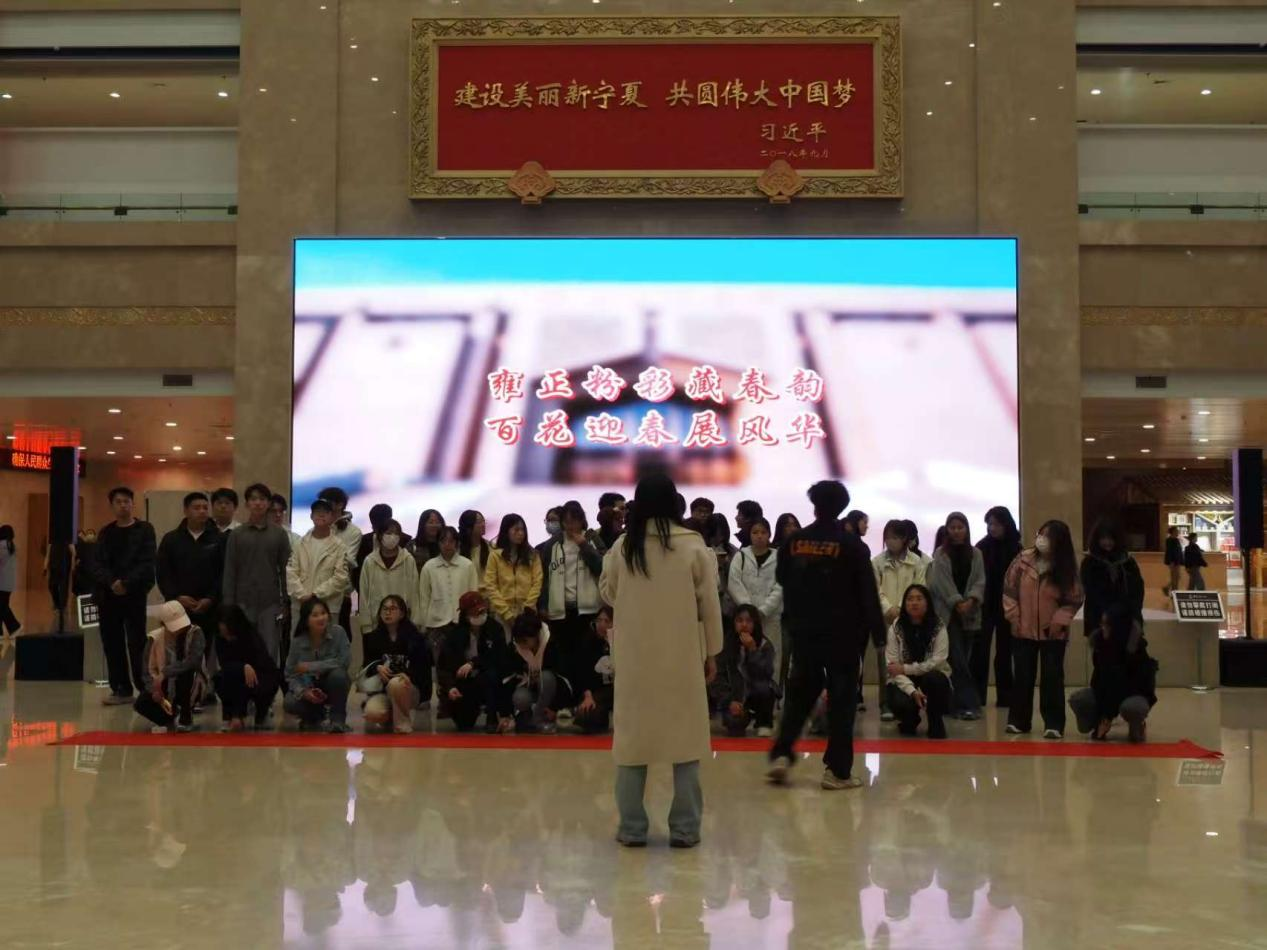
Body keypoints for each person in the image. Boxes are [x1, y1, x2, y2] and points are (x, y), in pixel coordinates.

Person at [599, 472, 723, 847]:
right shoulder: (692, 546)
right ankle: (685, 828)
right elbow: (709, 603)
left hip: (635, 659)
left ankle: (632, 827)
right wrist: (712, 652)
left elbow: (609, 592)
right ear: (674, 503)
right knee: (686, 743)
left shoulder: (624, 547)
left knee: (632, 744)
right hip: (682, 657)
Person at [767, 479, 884, 792]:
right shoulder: (852, 545)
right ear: (842, 507)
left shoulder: (794, 542)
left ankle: (782, 754)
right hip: (843, 634)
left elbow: (782, 578)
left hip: (804, 632)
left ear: (814, 505)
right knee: (842, 702)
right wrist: (878, 633)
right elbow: (867, 591)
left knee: (799, 695)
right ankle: (838, 771)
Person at [1003, 520, 1084, 739]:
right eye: (1041, 534)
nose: (1042, 539)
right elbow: (1009, 590)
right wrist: (1013, 617)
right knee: (1022, 676)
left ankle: (1054, 723)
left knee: (1052, 678)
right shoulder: (1023, 559)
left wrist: (1060, 620)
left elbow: (1074, 599)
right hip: (1023, 629)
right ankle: (1018, 721)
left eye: (1048, 536)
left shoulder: (1066, 566)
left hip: (1053, 633)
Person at [91, 487, 157, 705]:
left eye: (126, 501)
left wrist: (126, 583)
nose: (123, 505)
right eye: (118, 502)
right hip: (108, 596)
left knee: (137, 642)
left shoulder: (144, 530)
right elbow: (97, 563)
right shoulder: (106, 532)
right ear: (112, 506)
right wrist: (112, 582)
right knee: (112, 643)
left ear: (132, 504)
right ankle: (121, 688)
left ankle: (144, 687)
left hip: (134, 594)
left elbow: (147, 562)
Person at [156, 492, 224, 688]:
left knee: (206, 649)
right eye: (197, 507)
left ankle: (204, 690)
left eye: (205, 507)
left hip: (208, 607)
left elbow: (223, 573)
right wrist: (177, 597)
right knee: (179, 650)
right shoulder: (171, 539)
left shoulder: (218, 538)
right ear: (186, 510)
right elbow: (163, 573)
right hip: (179, 607)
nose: (202, 511)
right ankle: (180, 691)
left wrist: (210, 598)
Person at [222, 482, 293, 665]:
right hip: (242, 603)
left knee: (269, 651)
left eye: (262, 499)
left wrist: (286, 602)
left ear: (268, 503)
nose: (258, 503)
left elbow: (287, 571)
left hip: (270, 603)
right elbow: (230, 571)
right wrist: (228, 607)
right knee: (243, 651)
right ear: (247, 504)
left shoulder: (279, 535)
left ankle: (267, 684)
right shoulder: (236, 535)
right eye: (253, 499)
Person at [541, 501, 604, 704]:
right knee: (564, 659)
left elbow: (602, 568)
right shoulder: (553, 544)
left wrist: (583, 545)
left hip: (587, 609)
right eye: (566, 522)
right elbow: (544, 577)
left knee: (585, 656)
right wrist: (543, 605)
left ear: (581, 520)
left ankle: (587, 698)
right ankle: (567, 702)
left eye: (574, 521)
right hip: (560, 610)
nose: (570, 526)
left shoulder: (591, 538)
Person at [926, 513, 986, 721]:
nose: (957, 531)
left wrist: (971, 600)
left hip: (970, 614)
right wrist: (957, 602)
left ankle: (952, 703)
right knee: (958, 660)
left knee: (963, 661)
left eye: (960, 527)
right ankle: (969, 704)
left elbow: (980, 580)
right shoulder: (941, 554)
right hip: (948, 615)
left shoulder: (976, 554)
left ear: (967, 529)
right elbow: (940, 583)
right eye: (952, 527)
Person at [1069, 602, 1157, 743]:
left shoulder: (1137, 651)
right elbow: (1098, 681)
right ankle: (1097, 723)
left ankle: (1137, 725)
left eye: (1106, 625)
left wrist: (1108, 713)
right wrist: (1104, 715)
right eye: (1102, 624)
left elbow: (1140, 686)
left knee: (1133, 708)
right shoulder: (1100, 646)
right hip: (1107, 692)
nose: (1102, 628)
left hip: (1133, 693)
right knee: (1080, 699)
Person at [437, 591, 515, 733]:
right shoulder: (455, 634)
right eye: (475, 613)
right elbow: (444, 665)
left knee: (492, 675)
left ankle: (492, 717)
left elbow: (498, 657)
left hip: (489, 679)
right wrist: (450, 687)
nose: (480, 615)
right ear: (465, 615)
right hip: (465, 681)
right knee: (463, 724)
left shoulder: (495, 628)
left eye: (482, 611)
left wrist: (473, 663)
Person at [871, 520, 927, 720]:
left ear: (904, 539)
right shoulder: (877, 562)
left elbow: (920, 587)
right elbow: (874, 589)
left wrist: (903, 609)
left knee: (907, 659)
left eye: (894, 537)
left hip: (909, 617)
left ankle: (908, 699)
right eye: (887, 537)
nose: (890, 541)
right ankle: (885, 703)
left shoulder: (916, 561)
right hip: (884, 618)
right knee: (884, 660)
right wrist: (888, 608)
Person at [885, 584, 951, 739]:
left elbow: (938, 661)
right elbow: (893, 667)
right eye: (909, 599)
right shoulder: (895, 628)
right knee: (902, 706)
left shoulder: (939, 626)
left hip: (931, 676)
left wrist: (906, 669)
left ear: (927, 602)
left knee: (935, 680)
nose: (914, 603)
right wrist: (913, 692)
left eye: (919, 599)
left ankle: (935, 719)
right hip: (904, 680)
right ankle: (910, 719)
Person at [359, 595, 431, 734]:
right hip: (383, 691)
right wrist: (377, 667)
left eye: (392, 609)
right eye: (384, 609)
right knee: (372, 713)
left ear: (402, 613)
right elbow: (366, 666)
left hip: (410, 690)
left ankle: (402, 724)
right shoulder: (373, 638)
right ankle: (391, 716)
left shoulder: (415, 637)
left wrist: (409, 675)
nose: (388, 612)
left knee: (396, 683)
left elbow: (424, 669)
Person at [973, 506, 1022, 708]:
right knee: (980, 653)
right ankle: (978, 696)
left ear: (1006, 524)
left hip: (1007, 608)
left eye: (996, 524)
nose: (992, 528)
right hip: (984, 607)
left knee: (1005, 653)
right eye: (989, 524)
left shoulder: (1017, 549)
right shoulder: (981, 547)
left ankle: (1005, 696)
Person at [133, 601, 207, 733]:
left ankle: (186, 716)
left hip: (191, 681)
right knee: (141, 703)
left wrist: (165, 673)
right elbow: (146, 671)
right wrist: (154, 690)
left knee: (186, 675)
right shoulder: (154, 638)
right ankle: (170, 717)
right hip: (163, 684)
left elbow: (192, 661)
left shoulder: (195, 633)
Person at [727, 516, 783, 687]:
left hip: (770, 618)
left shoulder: (779, 558)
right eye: (755, 532)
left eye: (763, 532)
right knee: (744, 658)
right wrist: (750, 612)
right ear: (750, 535)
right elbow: (734, 583)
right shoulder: (741, 556)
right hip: (745, 620)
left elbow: (781, 586)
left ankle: (771, 695)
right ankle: (744, 696)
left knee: (772, 659)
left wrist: (763, 610)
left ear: (769, 535)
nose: (759, 536)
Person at [284, 598, 352, 732]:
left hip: (331, 683)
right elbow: (290, 674)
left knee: (338, 675)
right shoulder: (297, 641)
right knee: (290, 702)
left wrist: (311, 666)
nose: (321, 618)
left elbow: (343, 661)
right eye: (315, 615)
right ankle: (314, 717)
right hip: (308, 685)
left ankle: (338, 721)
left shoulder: (338, 632)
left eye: (323, 613)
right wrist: (304, 692)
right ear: (306, 620)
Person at [286, 498, 351, 632]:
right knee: (300, 642)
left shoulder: (340, 547)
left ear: (332, 517)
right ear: (311, 516)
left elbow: (340, 578)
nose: (321, 515)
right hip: (301, 606)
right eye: (317, 512)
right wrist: (302, 595)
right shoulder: (299, 544)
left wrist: (316, 594)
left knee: (327, 643)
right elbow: (291, 572)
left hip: (328, 607)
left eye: (325, 512)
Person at [214, 604, 281, 731]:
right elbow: (224, 664)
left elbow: (264, 665)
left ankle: (262, 712)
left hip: (258, 675)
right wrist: (242, 667)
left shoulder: (251, 636)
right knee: (221, 678)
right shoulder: (219, 638)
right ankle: (231, 715)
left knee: (262, 681)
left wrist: (249, 668)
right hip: (235, 676)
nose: (226, 636)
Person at [417, 525, 480, 658]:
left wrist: (473, 620)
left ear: (457, 543)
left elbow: (474, 594)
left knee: (463, 660)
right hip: (435, 624)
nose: (447, 544)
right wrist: (423, 624)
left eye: (451, 541)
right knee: (439, 662)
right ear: (438, 543)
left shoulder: (467, 565)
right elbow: (424, 598)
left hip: (462, 623)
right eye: (443, 541)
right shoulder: (429, 567)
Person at [716, 604, 778, 737]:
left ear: (755, 624)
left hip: (757, 692)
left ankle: (764, 722)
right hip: (735, 697)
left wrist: (753, 651)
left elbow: (766, 673)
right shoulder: (724, 645)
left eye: (749, 621)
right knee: (734, 727)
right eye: (739, 620)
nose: (744, 625)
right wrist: (729, 701)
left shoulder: (765, 645)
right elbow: (718, 676)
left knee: (767, 689)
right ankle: (742, 717)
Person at [1080, 518, 1145, 636]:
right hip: (1099, 619)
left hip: (1126, 618)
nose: (1107, 542)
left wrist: (1133, 613)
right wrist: (1108, 614)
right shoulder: (1089, 562)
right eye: (1103, 538)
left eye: (1110, 538)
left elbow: (1137, 589)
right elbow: (1091, 592)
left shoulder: (1128, 562)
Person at [356, 519, 419, 637]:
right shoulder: (370, 561)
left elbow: (414, 592)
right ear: (380, 535)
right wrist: (366, 624)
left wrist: (415, 621)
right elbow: (364, 593)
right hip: (376, 622)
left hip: (403, 622)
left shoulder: (408, 560)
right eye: (389, 533)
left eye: (396, 533)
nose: (392, 537)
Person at [504, 610, 563, 734]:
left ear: (535, 635)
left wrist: (555, 707)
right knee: (520, 698)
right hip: (527, 687)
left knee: (547, 678)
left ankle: (541, 717)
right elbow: (507, 677)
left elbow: (563, 675)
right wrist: (506, 714)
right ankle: (524, 716)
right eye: (518, 640)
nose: (521, 644)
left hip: (549, 689)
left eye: (524, 640)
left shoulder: (551, 642)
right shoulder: (514, 648)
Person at [484, 513, 543, 633]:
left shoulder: (533, 555)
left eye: (523, 530)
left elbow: (537, 582)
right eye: (516, 530)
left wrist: (528, 607)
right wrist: (506, 613)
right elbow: (491, 585)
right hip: (502, 613)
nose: (521, 533)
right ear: (506, 531)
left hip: (527, 613)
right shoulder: (495, 556)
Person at [319, 487, 363, 633]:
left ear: (340, 505)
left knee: (340, 635)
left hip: (341, 593)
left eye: (327, 502)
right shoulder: (317, 528)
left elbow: (347, 560)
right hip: (318, 591)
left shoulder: (353, 531)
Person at [573, 604, 615, 734]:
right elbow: (583, 673)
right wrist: (588, 696)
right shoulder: (588, 642)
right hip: (597, 690)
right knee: (585, 715)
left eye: (606, 621)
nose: (602, 625)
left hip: (616, 689)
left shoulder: (621, 642)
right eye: (599, 620)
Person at [0, 525, 20, 638]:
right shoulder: (12, 546)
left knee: (2, 607)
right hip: (9, 583)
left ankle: (15, 627)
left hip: (1, 582)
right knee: (2, 606)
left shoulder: (1, 546)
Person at [457, 509, 491, 574]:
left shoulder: (490, 547)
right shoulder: (457, 550)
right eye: (479, 522)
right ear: (468, 528)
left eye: (483, 521)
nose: (483, 524)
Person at [1163, 526, 1184, 597]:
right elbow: (1169, 552)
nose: (1178, 532)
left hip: (1177, 561)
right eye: (1176, 531)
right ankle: (1174, 593)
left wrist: (1181, 561)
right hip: (1173, 562)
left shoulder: (1176, 540)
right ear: (1173, 532)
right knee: (1175, 578)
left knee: (1177, 577)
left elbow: (1178, 551)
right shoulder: (1169, 540)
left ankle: (1169, 589)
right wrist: (1171, 562)